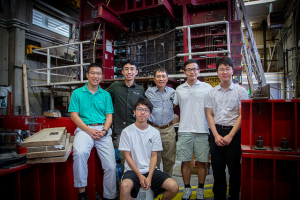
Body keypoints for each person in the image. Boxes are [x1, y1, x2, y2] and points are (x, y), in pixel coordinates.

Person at [69, 63, 116, 200]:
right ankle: (82, 192)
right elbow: (74, 115)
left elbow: (109, 116)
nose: (96, 76)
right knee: (80, 152)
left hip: (102, 130)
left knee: (111, 167)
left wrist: (105, 131)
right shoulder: (77, 93)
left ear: (102, 76)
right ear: (87, 75)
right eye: (93, 73)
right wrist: (88, 130)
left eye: (99, 74)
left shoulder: (106, 95)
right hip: (84, 129)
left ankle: (109, 196)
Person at [119, 97, 179, 200]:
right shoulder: (126, 132)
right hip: (132, 171)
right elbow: (127, 156)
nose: (142, 112)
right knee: (124, 187)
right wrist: (140, 175)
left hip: (150, 170)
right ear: (134, 112)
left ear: (150, 114)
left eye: (146, 110)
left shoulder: (154, 132)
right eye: (139, 109)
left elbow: (154, 155)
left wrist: (149, 177)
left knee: (174, 187)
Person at [205, 57, 248, 200]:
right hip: (217, 131)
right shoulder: (211, 93)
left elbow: (242, 116)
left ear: (232, 70)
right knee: (217, 168)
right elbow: (210, 115)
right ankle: (219, 196)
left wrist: (230, 135)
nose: (225, 72)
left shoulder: (240, 92)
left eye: (227, 69)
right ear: (217, 72)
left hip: (234, 132)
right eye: (221, 69)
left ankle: (234, 196)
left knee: (234, 168)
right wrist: (215, 135)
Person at [173, 59, 212, 200]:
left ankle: (200, 188)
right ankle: (187, 188)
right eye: (189, 69)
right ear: (184, 72)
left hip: (202, 130)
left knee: (202, 162)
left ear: (199, 71)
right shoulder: (179, 89)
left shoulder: (207, 88)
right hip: (184, 130)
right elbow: (172, 106)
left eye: (195, 69)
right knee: (185, 161)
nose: (192, 71)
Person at [106, 60, 145, 171]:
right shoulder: (115, 87)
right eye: (126, 69)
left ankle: (137, 182)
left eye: (132, 69)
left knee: (138, 157)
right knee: (124, 158)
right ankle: (125, 182)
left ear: (136, 72)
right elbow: (102, 97)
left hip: (137, 129)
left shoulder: (140, 89)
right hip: (120, 130)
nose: (129, 72)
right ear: (122, 72)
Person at [145, 68, 176, 177]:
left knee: (169, 159)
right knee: (154, 158)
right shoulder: (149, 92)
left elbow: (175, 105)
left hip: (168, 130)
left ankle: (168, 180)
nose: (161, 78)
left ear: (167, 79)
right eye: (158, 76)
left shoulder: (173, 92)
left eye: (163, 76)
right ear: (154, 79)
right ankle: (155, 182)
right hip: (153, 129)